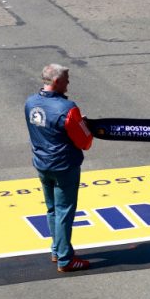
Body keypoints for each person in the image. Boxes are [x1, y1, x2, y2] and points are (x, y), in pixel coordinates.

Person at [25, 64, 93, 272]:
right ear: (56, 82)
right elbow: (85, 142)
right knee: (65, 211)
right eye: (66, 79)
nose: (68, 83)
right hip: (64, 166)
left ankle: (56, 249)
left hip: (42, 163)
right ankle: (65, 258)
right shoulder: (67, 109)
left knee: (52, 208)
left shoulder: (30, 103)